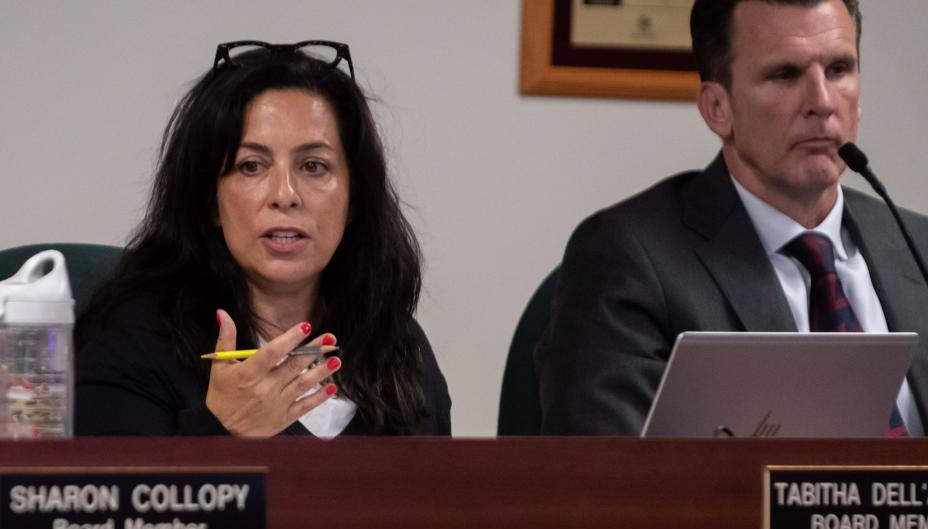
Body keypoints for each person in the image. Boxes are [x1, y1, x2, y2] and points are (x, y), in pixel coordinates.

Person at [536, 0, 928, 436]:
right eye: (786, 74)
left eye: (838, 69)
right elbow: (610, 480)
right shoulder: (628, 258)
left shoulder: (919, 248)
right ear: (718, 108)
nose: (822, 101)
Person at [75, 40, 451, 437]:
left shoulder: (395, 343)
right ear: (210, 202)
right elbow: (115, 497)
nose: (285, 194)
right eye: (251, 166)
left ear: (354, 199)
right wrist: (223, 432)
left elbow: (443, 496)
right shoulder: (131, 341)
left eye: (313, 166)